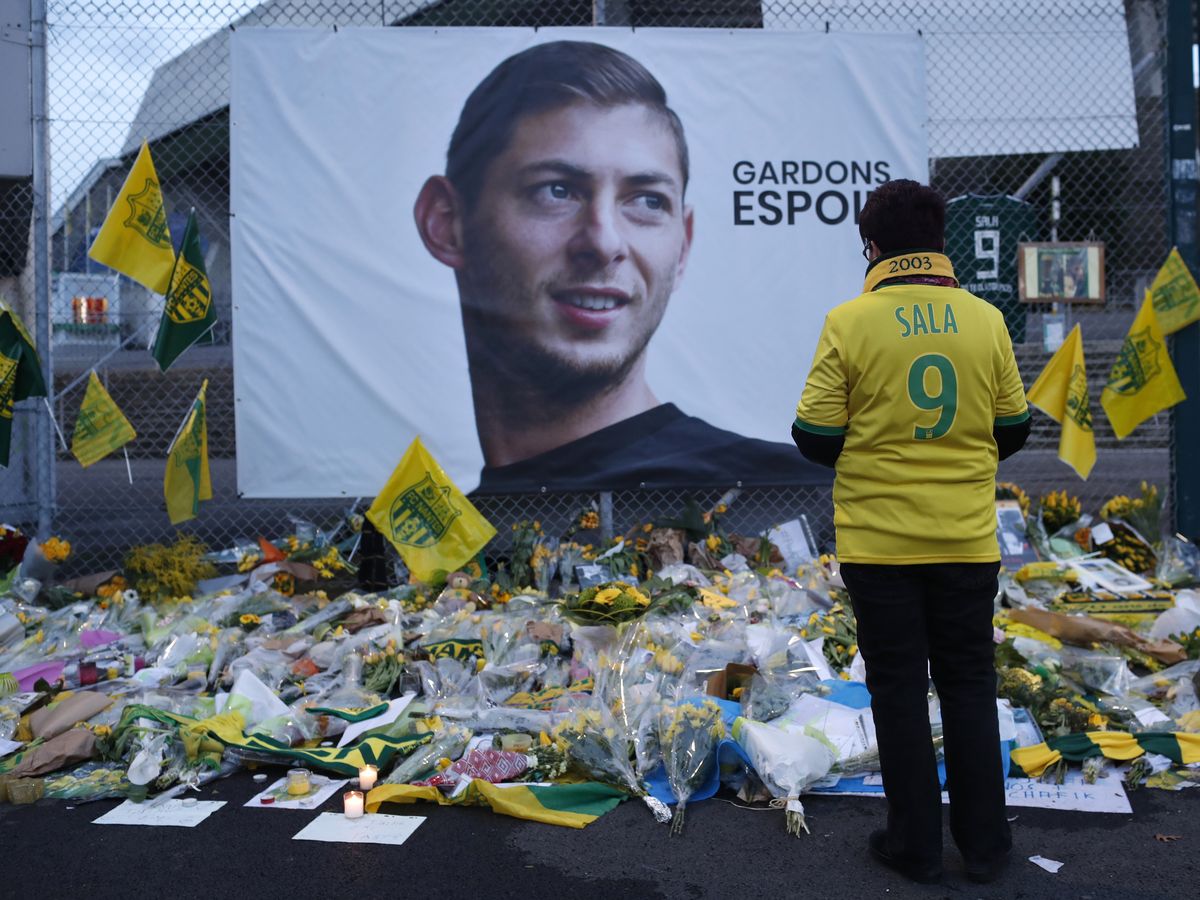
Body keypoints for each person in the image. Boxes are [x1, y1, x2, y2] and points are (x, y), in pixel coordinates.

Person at [414, 40, 829, 493]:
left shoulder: (794, 502)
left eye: (648, 201)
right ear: (446, 224)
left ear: (683, 245)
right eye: (556, 191)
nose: (604, 241)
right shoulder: (423, 547)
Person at [791, 179, 1030, 885]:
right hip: (964, 538)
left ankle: (914, 846)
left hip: (880, 543)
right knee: (968, 685)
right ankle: (987, 849)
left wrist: (875, 448)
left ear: (871, 245)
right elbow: (1014, 427)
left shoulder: (850, 321)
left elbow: (813, 433)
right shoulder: (984, 320)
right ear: (939, 242)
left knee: (897, 689)